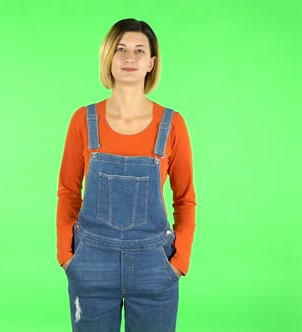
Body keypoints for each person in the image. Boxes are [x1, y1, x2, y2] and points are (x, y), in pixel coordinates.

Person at [56, 18, 197, 332]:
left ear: (151, 63)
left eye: (138, 50)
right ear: (109, 58)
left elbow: (185, 199)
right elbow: (68, 191)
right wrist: (66, 255)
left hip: (154, 266)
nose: (129, 58)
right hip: (90, 264)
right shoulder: (83, 120)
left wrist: (179, 262)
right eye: (120, 49)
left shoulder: (172, 125)